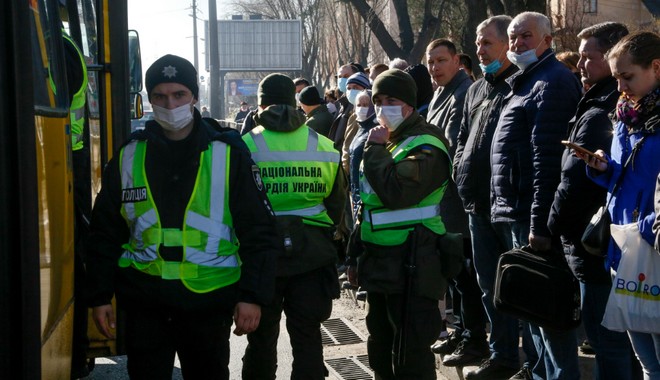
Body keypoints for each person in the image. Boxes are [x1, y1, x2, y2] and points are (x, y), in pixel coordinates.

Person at [85, 55, 279, 380]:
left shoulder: (228, 154)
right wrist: (100, 296)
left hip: (208, 306)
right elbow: (105, 232)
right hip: (145, 304)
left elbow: (260, 231)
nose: (169, 104)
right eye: (159, 96)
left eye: (178, 95)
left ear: (194, 98)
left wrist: (252, 297)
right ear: (149, 99)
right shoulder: (129, 155)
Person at [489, 12, 582, 380]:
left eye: (525, 36)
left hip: (533, 214)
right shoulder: (525, 81)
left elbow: (547, 161)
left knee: (548, 316)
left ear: (547, 39)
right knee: (533, 316)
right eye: (512, 38)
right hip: (517, 210)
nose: (516, 45)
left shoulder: (553, 81)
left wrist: (539, 223)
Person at [548, 22, 639, 380]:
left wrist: (551, 228)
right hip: (595, 242)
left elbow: (573, 183)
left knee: (610, 343)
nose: (582, 64)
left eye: (590, 56)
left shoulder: (610, 106)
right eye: (581, 56)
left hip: (599, 243)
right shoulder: (597, 99)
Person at [347, 69, 452, 379]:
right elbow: (369, 203)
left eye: (390, 100)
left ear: (408, 104)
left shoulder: (426, 144)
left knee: (411, 351)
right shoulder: (388, 141)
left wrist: (375, 149)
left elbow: (396, 193)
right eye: (377, 100)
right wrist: (354, 254)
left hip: (414, 260)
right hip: (379, 260)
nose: (382, 107)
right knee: (380, 345)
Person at [241, 73, 347, 379]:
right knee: (308, 338)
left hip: (261, 258)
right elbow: (337, 205)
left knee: (260, 340)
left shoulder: (244, 146)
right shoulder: (324, 146)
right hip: (312, 256)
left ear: (260, 105)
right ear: (294, 102)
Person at [581, 31, 660, 380]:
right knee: (647, 364)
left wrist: (646, 228)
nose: (620, 88)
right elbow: (626, 180)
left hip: (655, 247)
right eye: (616, 78)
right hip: (625, 250)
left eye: (627, 77)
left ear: (656, 67)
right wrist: (603, 169)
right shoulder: (626, 116)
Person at [452, 15, 527, 379]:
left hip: (510, 206)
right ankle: (502, 356)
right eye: (478, 44)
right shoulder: (476, 88)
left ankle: (529, 360)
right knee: (488, 286)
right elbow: (462, 139)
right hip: (476, 203)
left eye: (487, 43)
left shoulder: (520, 85)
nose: (480, 51)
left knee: (520, 289)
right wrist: (460, 170)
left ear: (507, 45)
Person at [425, 37, 487, 368]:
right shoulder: (440, 92)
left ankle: (474, 338)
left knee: (465, 274)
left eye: (440, 60)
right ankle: (461, 330)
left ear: (457, 61)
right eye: (430, 62)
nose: (435, 67)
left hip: (458, 201)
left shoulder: (464, 92)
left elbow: (449, 146)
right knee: (453, 273)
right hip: (442, 200)